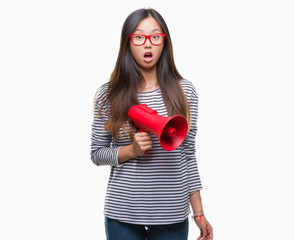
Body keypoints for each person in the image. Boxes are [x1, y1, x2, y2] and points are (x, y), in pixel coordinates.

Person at [90, 8, 213, 240]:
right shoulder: (109, 94)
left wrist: (199, 213)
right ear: (128, 43)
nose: (148, 44)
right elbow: (97, 153)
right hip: (123, 213)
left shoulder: (185, 92)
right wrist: (131, 151)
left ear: (164, 42)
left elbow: (188, 155)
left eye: (155, 36)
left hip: (172, 214)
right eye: (139, 37)